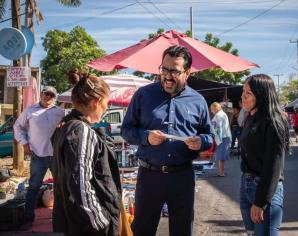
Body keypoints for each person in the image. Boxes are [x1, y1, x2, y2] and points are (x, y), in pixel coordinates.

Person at [121, 45, 213, 236]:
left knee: (182, 230)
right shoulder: (143, 95)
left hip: (182, 177)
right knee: (142, 230)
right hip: (149, 176)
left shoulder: (198, 101)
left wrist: (201, 141)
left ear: (187, 73)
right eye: (164, 69)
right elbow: (126, 130)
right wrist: (145, 137)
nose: (167, 76)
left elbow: (209, 134)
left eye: (174, 71)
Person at [51, 71, 122, 236]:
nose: (107, 107)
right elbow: (80, 182)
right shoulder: (80, 130)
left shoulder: (65, 126)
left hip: (73, 220)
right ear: (97, 102)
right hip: (86, 226)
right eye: (106, 102)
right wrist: (100, 221)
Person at [239, 74, 289, 236]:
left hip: (264, 190)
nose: (243, 97)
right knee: (251, 233)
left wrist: (260, 202)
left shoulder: (274, 121)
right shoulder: (250, 117)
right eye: (243, 92)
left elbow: (273, 166)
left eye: (248, 93)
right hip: (246, 185)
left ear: (261, 95)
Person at [13, 86, 64, 230]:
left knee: (61, 187)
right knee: (33, 188)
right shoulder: (30, 111)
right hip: (38, 156)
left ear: (54, 97)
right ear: (41, 94)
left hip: (56, 157)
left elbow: (67, 129)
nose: (48, 96)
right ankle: (28, 219)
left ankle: (61, 218)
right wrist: (24, 143)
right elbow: (17, 127)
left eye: (51, 95)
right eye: (46, 93)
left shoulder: (60, 112)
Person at [210, 102, 231, 177]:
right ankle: (221, 172)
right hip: (224, 137)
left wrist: (217, 140)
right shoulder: (222, 114)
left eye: (212, 109)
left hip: (221, 138)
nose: (211, 111)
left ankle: (221, 173)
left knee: (221, 156)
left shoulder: (218, 115)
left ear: (215, 108)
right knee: (221, 156)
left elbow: (219, 129)